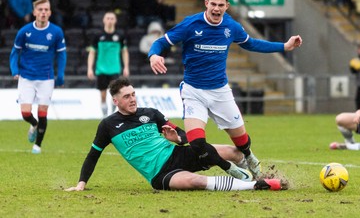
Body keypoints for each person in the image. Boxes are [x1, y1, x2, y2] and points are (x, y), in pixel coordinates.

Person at [148, 0, 303, 181]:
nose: (216, 9)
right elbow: (161, 42)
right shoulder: (190, 25)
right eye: (213, 4)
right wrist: (154, 55)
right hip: (193, 91)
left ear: (227, 6)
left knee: (241, 141)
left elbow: (252, 44)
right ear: (206, 3)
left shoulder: (231, 27)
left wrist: (285, 46)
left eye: (221, 5)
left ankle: (249, 157)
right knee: (196, 143)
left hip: (220, 92)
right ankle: (229, 167)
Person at [65, 77, 286, 191]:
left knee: (234, 152)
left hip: (178, 155)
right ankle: (255, 186)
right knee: (197, 182)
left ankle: (260, 175)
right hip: (160, 175)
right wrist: (82, 183)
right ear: (115, 101)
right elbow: (93, 154)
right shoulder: (108, 125)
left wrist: (178, 138)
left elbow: (183, 134)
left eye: (133, 94)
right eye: (126, 97)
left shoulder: (151, 113)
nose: (132, 99)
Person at [9, 0, 67, 154]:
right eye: (40, 10)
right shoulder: (24, 31)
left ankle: (37, 146)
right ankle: (33, 125)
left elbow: (61, 55)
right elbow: (15, 52)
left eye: (46, 10)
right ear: (34, 12)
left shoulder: (56, 32)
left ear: (50, 12)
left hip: (46, 78)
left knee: (43, 113)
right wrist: (15, 70)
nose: (43, 12)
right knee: (26, 113)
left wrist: (60, 74)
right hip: (26, 77)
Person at [87, 11, 130, 117]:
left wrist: (126, 67)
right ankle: (105, 115)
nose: (110, 20)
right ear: (104, 20)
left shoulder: (120, 36)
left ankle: (112, 115)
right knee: (103, 95)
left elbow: (124, 52)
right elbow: (92, 53)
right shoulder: (98, 36)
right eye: (108, 18)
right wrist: (89, 68)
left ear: (115, 20)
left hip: (114, 69)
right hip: (101, 69)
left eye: (112, 18)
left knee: (115, 94)